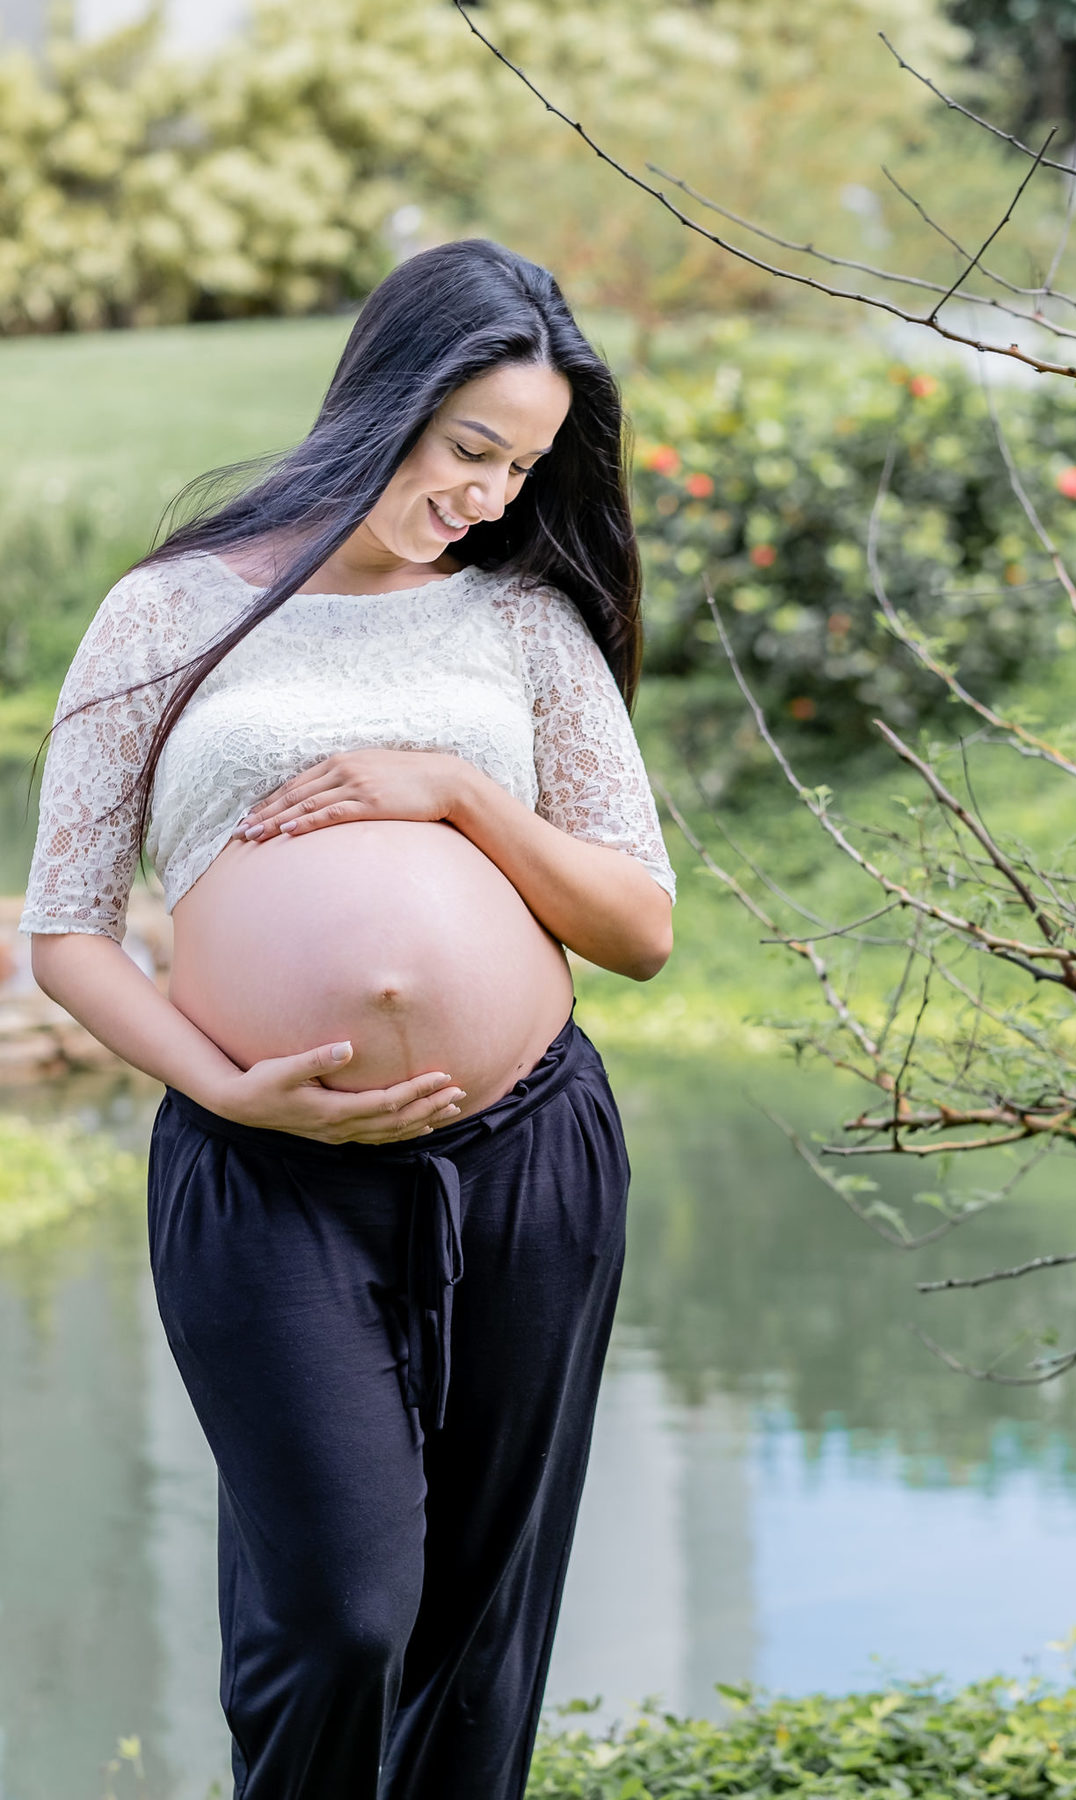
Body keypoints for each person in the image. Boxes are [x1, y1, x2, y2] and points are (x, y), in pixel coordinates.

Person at [19, 238, 675, 1799]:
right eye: (471, 450)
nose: (493, 495)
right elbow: (67, 932)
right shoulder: (167, 614)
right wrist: (227, 1093)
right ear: (388, 397)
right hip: (268, 1178)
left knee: (478, 1626)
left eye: (522, 466)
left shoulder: (521, 624)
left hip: (527, 1158)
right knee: (341, 1614)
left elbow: (640, 924)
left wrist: (449, 793)